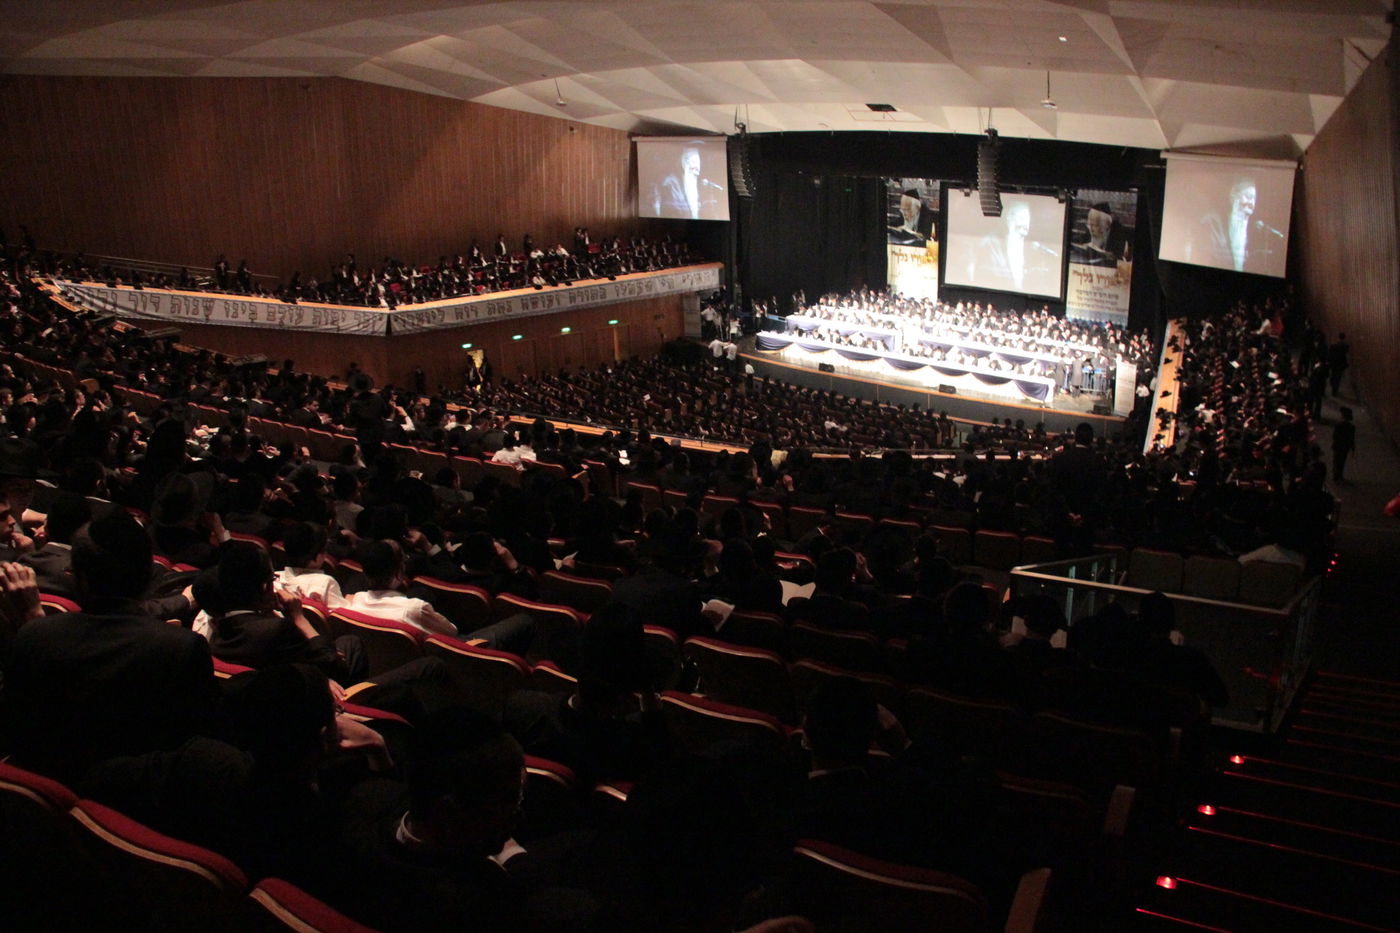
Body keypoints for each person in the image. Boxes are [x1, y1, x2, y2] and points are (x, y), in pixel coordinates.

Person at [971, 199, 1050, 292]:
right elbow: (985, 277)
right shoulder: (991, 244)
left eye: (1027, 219)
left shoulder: (1032, 247)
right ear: (1009, 219)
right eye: (1022, 218)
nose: (1026, 225)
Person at [1187, 177, 1263, 273]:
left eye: (1254, 198)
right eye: (1248, 197)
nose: (1251, 203)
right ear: (1233, 196)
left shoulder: (1256, 229)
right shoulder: (1211, 223)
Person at [653, 146, 721, 220]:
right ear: (684, 164)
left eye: (698, 162)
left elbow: (712, 213)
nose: (697, 167)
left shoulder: (705, 186)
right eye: (693, 162)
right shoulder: (671, 184)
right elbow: (670, 211)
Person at [1071, 201, 1128, 266]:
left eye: (1094, 225)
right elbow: (1080, 241)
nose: (1090, 228)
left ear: (1106, 224)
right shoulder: (1090, 230)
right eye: (1089, 224)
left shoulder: (1119, 235)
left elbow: (1121, 257)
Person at [1332, 406, 1356, 483]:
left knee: (1336, 460)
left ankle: (1336, 475)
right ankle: (1340, 475)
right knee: (1342, 461)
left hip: (1338, 446)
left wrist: (1334, 444)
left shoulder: (1338, 425)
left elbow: (1335, 436)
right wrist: (1352, 447)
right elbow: (1351, 438)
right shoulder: (1352, 427)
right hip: (1345, 447)